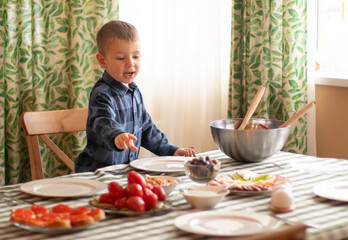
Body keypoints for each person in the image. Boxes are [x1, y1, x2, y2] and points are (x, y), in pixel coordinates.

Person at [75, 20, 195, 172]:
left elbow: (146, 129)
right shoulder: (102, 93)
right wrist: (117, 135)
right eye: (120, 58)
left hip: (124, 172)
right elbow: (102, 121)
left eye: (136, 56)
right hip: (99, 172)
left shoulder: (134, 91)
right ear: (102, 60)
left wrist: (171, 151)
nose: (130, 63)